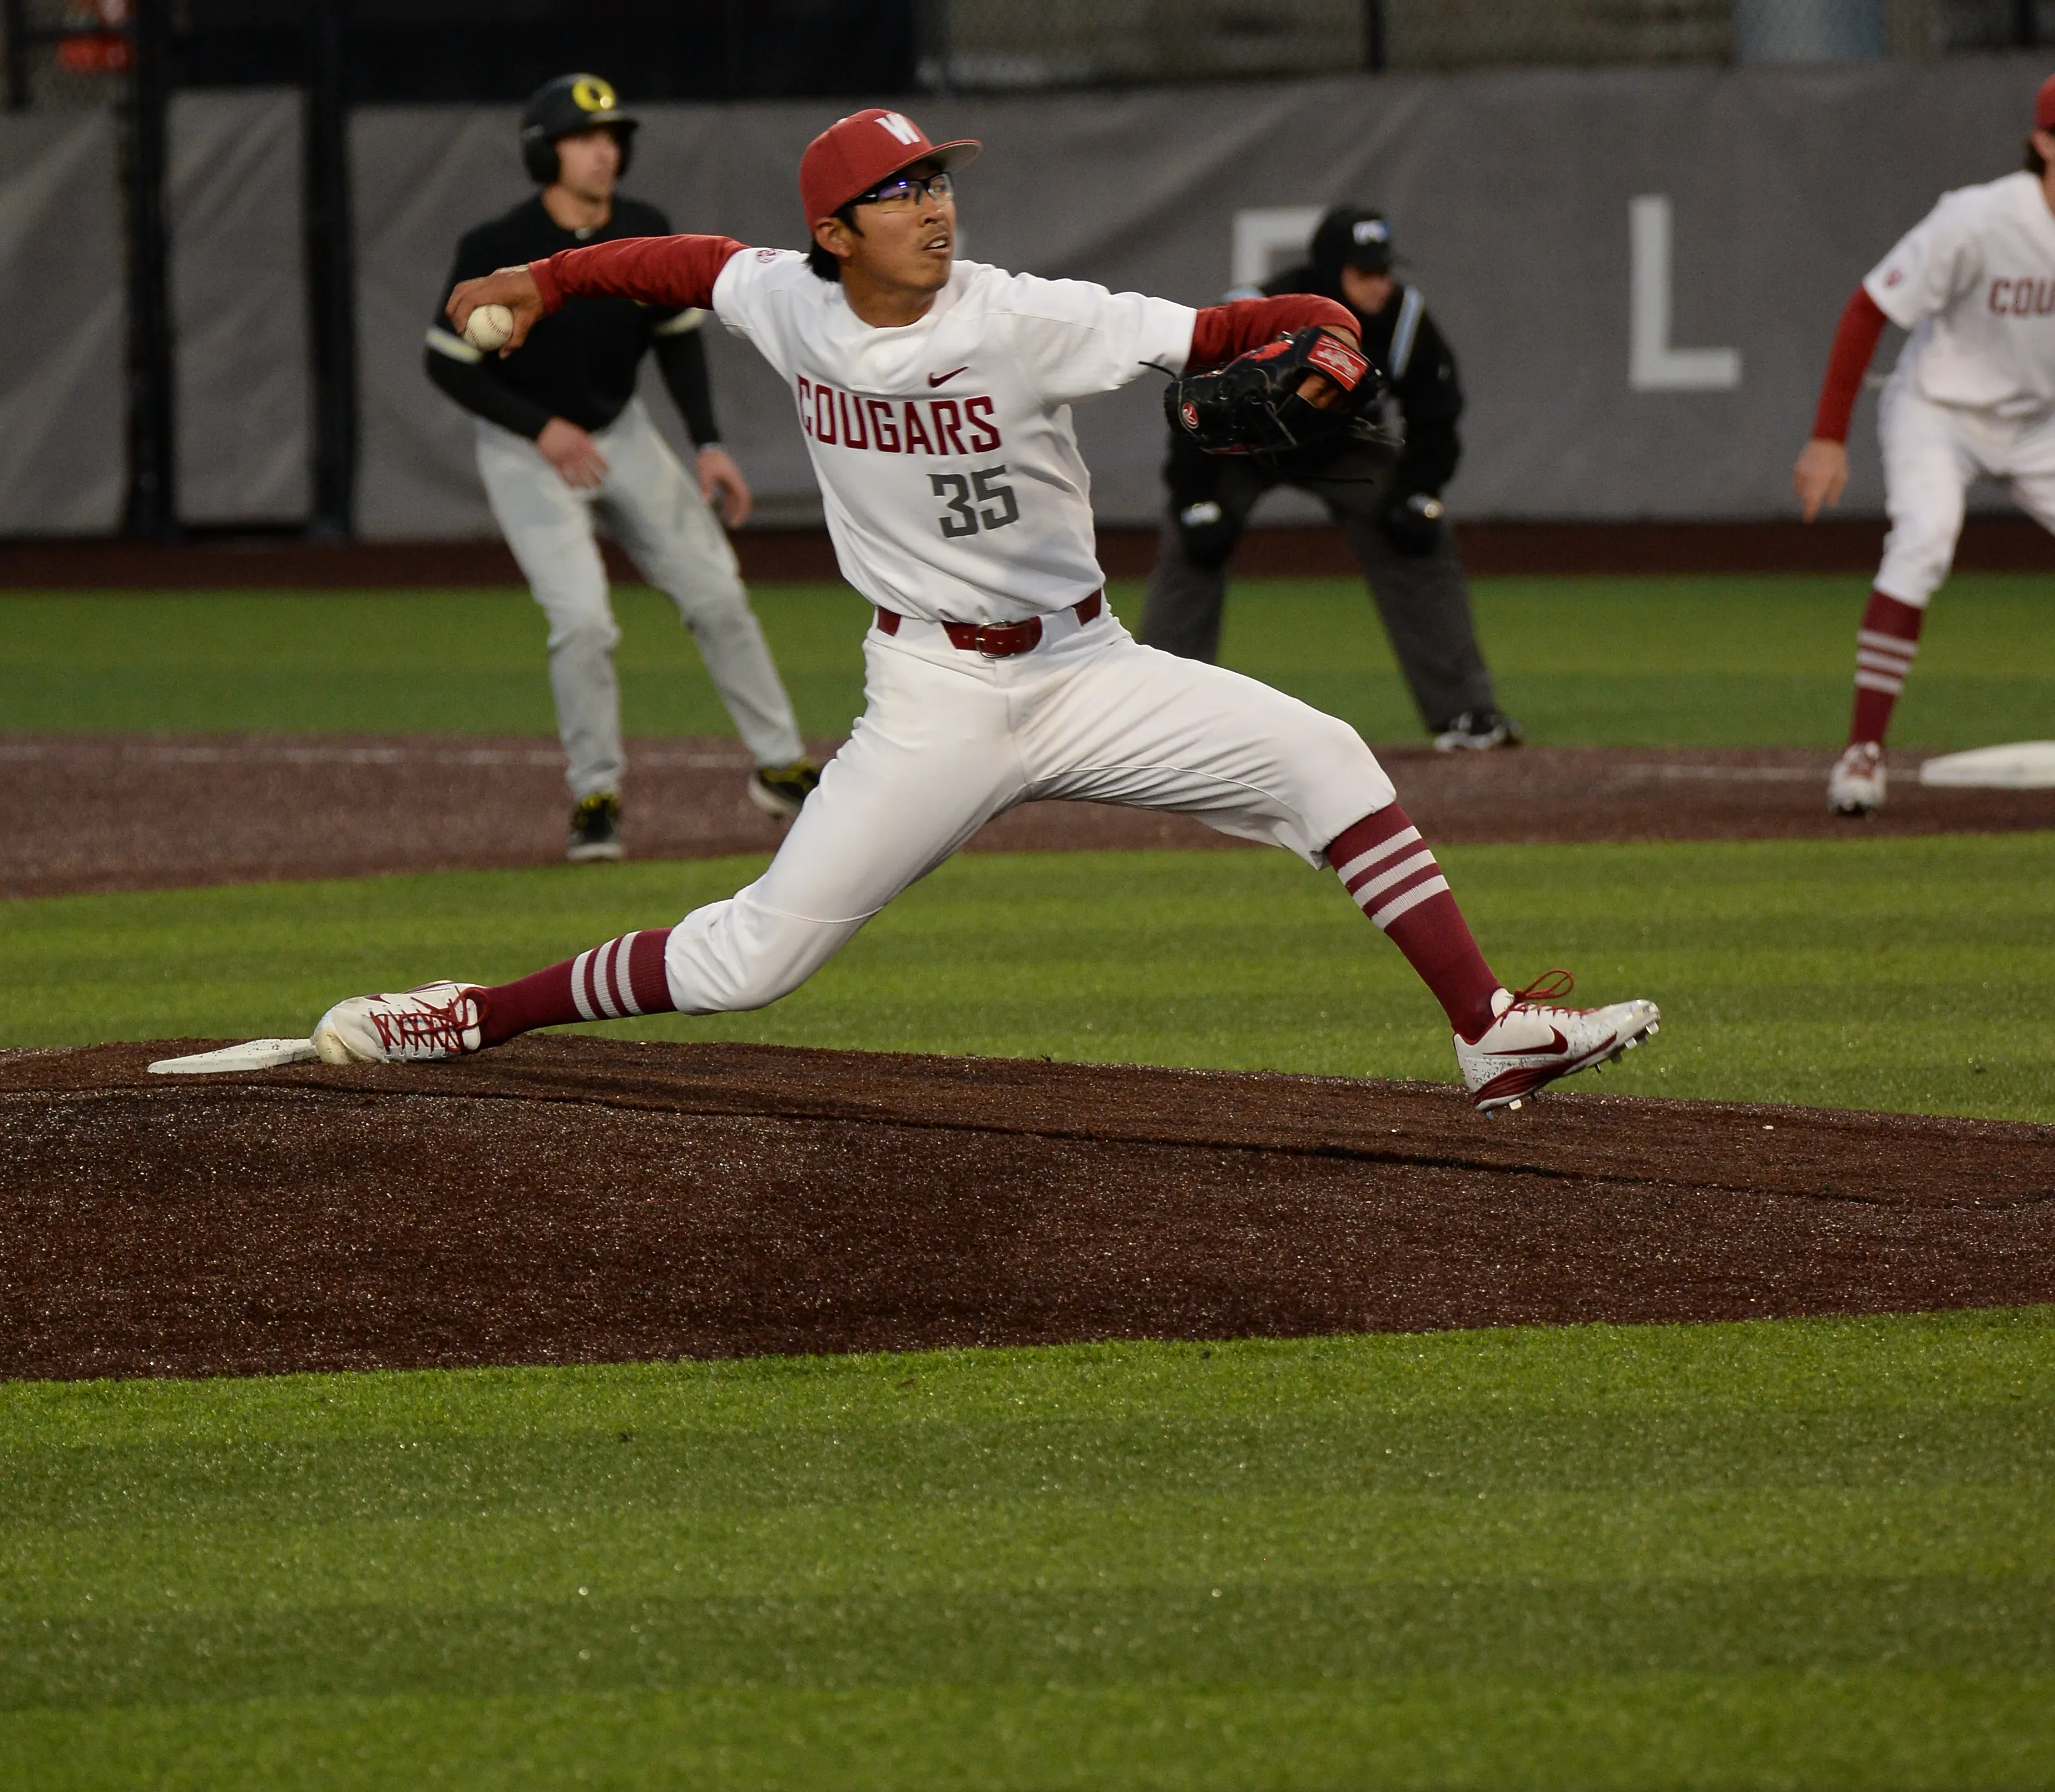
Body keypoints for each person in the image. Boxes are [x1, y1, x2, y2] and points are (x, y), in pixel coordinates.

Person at [318, 105, 1658, 1110]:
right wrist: (544, 279)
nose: (933, 206)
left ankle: (1487, 1028)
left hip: (1086, 669)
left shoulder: (1024, 317)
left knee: (1324, 757)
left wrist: (1328, 325)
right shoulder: (788, 299)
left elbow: (1230, 327)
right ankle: (472, 1014)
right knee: (749, 964)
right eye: (897, 192)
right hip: (932, 698)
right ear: (835, 233)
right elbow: (681, 263)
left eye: (936, 180)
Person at [425, 72, 816, 859]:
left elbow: (676, 341)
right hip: (527, 451)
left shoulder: (642, 226)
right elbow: (448, 365)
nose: (605, 151)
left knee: (717, 593)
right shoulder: (496, 247)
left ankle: (781, 768)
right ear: (544, 154)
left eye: (612, 137)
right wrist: (541, 429)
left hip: (623, 433)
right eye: (583, 138)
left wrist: (708, 441)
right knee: (583, 621)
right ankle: (595, 794)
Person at [1140, 207, 1521, 750]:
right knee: (1191, 546)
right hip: (1243, 448)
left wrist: (1420, 488)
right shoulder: (1259, 309)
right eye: (1364, 273)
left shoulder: (1403, 317)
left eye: (1385, 271)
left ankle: (1467, 713)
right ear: (1326, 273)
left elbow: (1436, 410)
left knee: (1417, 537)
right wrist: (1195, 497)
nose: (1380, 284)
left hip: (1344, 442)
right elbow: (1194, 406)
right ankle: (1154, 722)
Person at [1795, 72, 2055, 815]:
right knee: (1925, 538)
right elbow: (1866, 306)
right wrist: (1826, 437)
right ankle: (1863, 752)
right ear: (2043, 143)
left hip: (2037, 421)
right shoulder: (1977, 218)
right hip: (1938, 409)